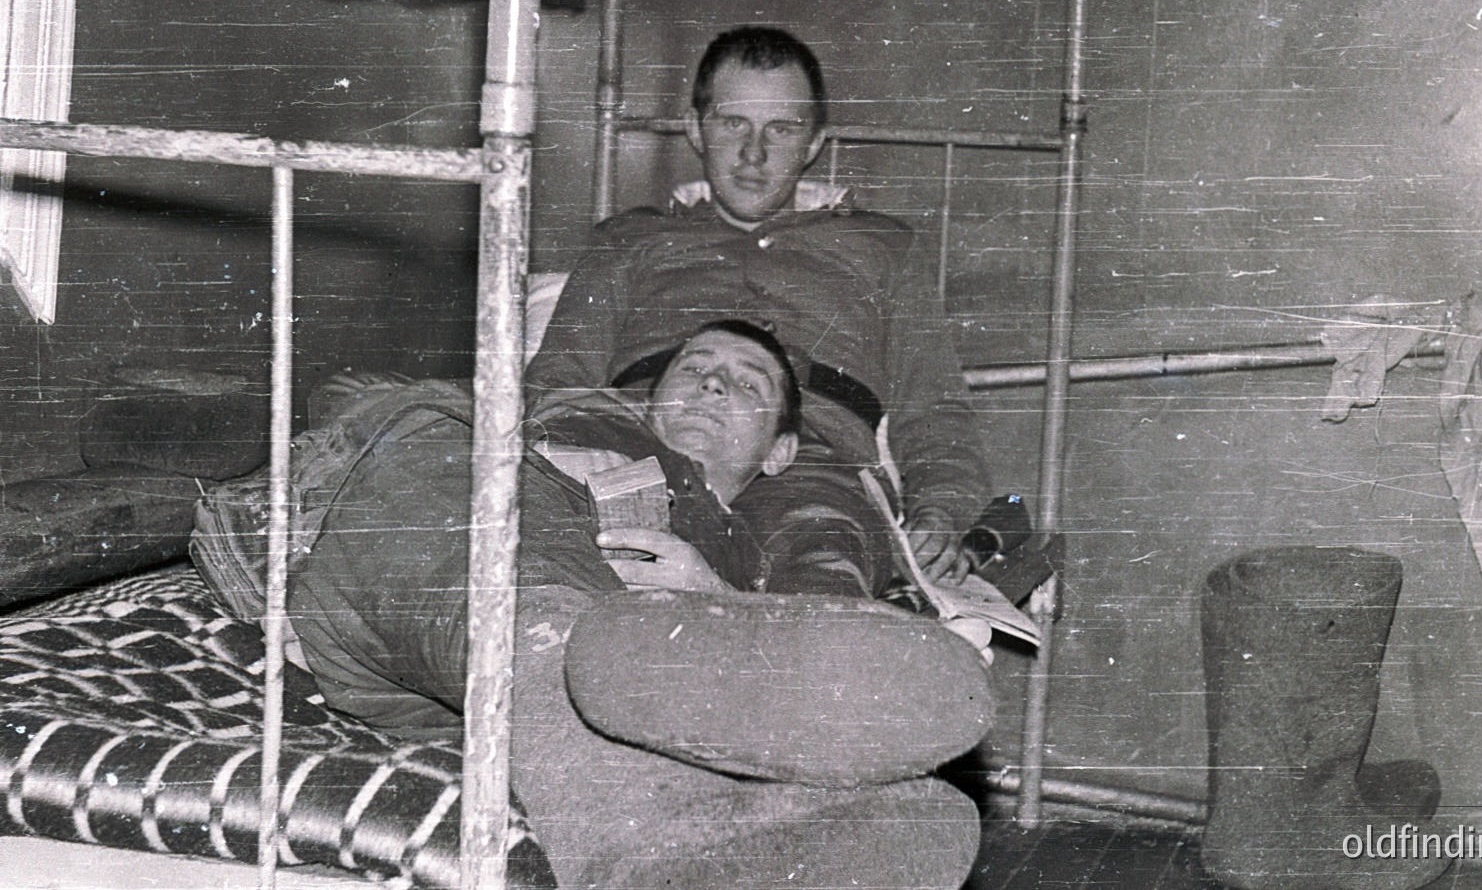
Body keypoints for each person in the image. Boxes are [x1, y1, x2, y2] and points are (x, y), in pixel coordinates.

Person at [254, 320, 987, 888]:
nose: (711, 385)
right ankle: (635, 829)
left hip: (459, 687)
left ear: (780, 453)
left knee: (611, 635)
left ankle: (729, 761)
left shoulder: (748, 553)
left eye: (747, 384)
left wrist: (711, 600)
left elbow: (832, 595)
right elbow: (344, 396)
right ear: (651, 400)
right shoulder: (563, 419)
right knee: (440, 451)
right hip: (396, 578)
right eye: (694, 370)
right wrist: (523, 455)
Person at [529, 25, 993, 584]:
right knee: (559, 548)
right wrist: (567, 455)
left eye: (782, 128)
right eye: (733, 124)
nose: (754, 153)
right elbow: (558, 380)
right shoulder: (630, 241)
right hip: (643, 444)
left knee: (821, 567)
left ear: (814, 143)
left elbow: (935, 411)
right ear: (696, 130)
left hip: (813, 468)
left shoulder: (883, 249)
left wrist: (940, 512)